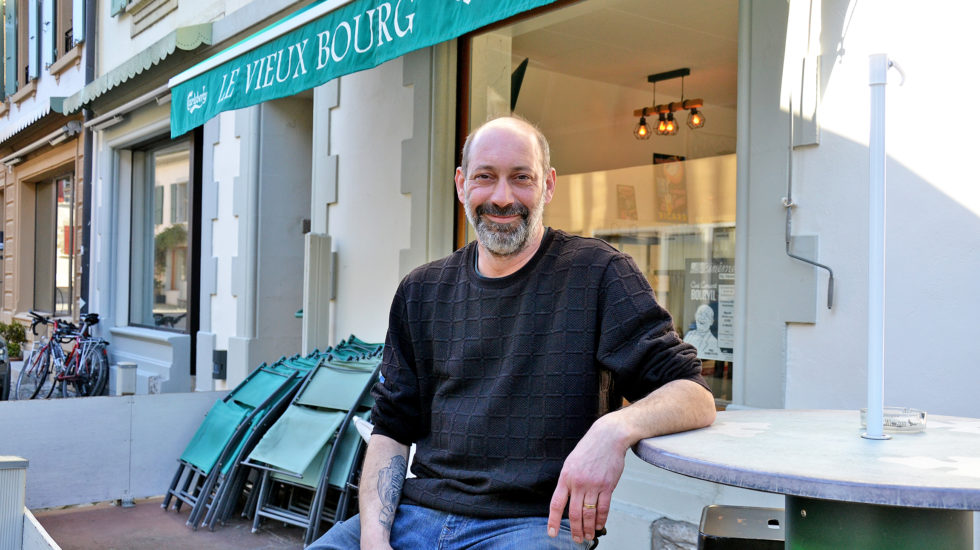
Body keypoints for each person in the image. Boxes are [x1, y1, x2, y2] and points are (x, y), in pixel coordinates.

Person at [310, 116, 716, 550]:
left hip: (534, 527)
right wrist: (374, 538)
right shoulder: (421, 290)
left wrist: (614, 429)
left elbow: (693, 395)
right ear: (462, 184)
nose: (502, 197)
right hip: (416, 517)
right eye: (485, 177)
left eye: (522, 177)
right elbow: (390, 428)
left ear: (548, 185)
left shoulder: (599, 274)